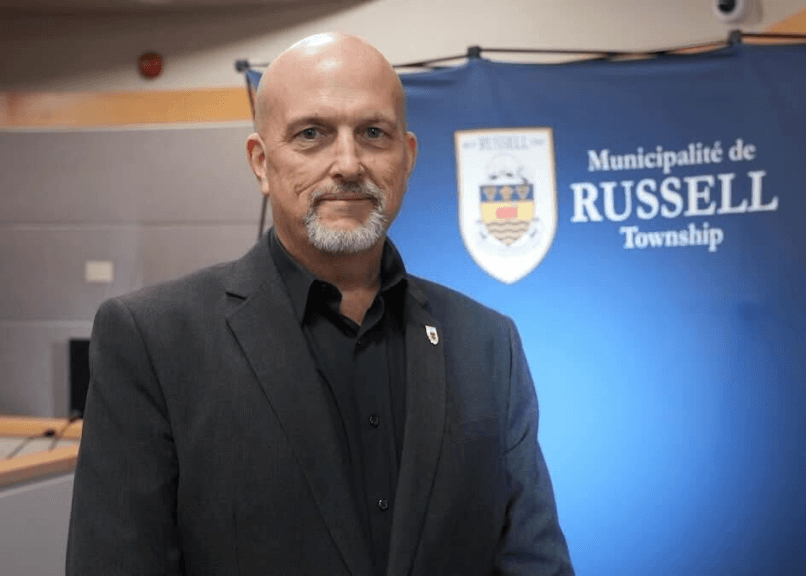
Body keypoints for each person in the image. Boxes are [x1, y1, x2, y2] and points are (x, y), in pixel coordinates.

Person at [66, 33, 574, 576]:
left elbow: (533, 561)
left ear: (406, 157)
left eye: (373, 133)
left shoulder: (487, 344)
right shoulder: (154, 342)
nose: (348, 164)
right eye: (312, 134)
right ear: (260, 162)